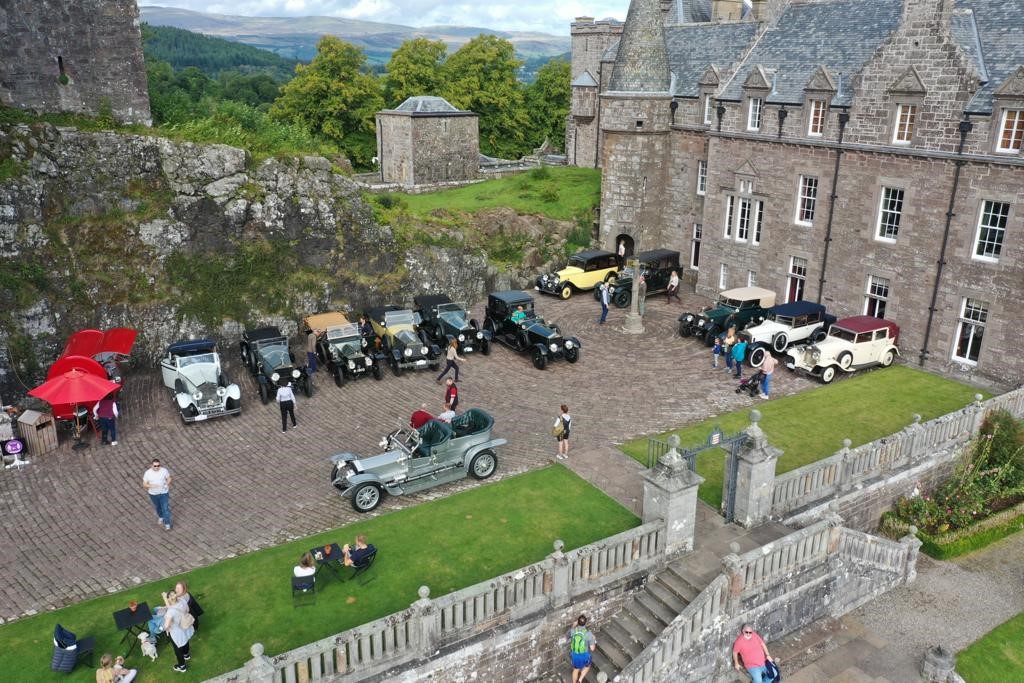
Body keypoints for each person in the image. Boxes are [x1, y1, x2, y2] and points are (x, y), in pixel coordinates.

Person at [163, 591, 195, 673]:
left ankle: (182, 666)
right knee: (186, 641)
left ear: (169, 600)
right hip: (185, 626)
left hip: (177, 632)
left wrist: (165, 628)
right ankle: (186, 655)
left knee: (178, 649)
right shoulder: (182, 601)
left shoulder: (170, 612)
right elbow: (187, 610)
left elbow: (166, 626)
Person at [143, 458, 173, 530]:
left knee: (165, 508)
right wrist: (151, 486)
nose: (157, 467)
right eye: (155, 466)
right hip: (153, 494)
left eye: (158, 465)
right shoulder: (147, 473)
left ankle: (167, 523)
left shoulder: (164, 471)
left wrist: (167, 483)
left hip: (164, 493)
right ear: (151, 465)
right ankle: (161, 516)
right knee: (158, 507)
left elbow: (169, 478)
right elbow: (144, 484)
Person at [567, 614, 596, 683]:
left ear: (577, 622)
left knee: (576, 669)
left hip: (574, 654)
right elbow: (592, 649)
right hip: (584, 655)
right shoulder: (588, 634)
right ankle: (580, 680)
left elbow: (568, 635)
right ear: (585, 623)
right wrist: (593, 640)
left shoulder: (573, 631)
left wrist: (574, 625)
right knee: (587, 666)